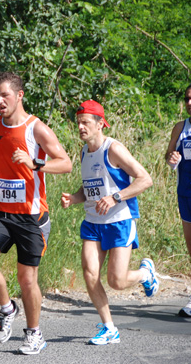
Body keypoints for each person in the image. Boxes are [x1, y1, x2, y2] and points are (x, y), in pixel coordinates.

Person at [0, 72, 72, 355]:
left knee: (27, 279)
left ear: (20, 96)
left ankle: (34, 334)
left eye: (5, 95)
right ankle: (7, 309)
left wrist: (35, 164)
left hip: (30, 215)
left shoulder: (36, 129)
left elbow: (65, 163)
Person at [61, 100, 158, 345]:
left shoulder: (112, 149)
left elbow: (145, 179)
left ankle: (145, 274)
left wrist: (116, 197)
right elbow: (90, 187)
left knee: (117, 281)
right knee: (90, 273)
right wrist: (74, 198)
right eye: (78, 122)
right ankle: (109, 328)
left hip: (120, 220)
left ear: (100, 123)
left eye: (85, 122)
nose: (81, 127)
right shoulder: (84, 152)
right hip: (93, 221)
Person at [165, 82, 191, 318]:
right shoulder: (180, 127)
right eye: (187, 99)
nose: (189, 103)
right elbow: (168, 156)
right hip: (185, 194)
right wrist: (172, 156)